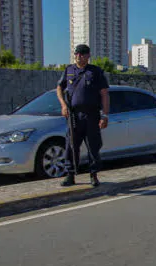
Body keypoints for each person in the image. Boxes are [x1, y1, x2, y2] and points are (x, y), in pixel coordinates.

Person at [56, 44, 110, 187]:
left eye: (82, 54)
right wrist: (63, 105)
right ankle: (70, 175)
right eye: (77, 54)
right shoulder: (69, 70)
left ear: (88, 56)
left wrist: (104, 115)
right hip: (74, 116)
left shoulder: (96, 71)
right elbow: (59, 88)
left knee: (93, 146)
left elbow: (104, 94)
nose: (79, 56)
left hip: (91, 115)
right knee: (71, 146)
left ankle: (93, 175)